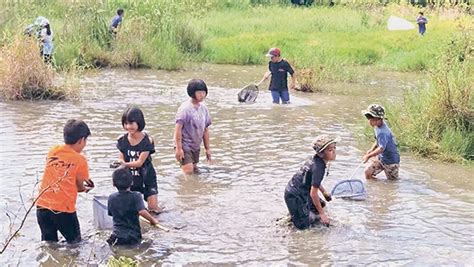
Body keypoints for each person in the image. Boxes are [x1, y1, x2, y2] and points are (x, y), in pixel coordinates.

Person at [36, 119, 94, 243]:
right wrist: (85, 189)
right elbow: (79, 187)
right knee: (75, 244)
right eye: (86, 141)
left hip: (42, 206)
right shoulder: (80, 160)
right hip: (64, 210)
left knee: (49, 244)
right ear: (81, 140)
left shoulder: (53, 151)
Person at [284, 134, 339, 229]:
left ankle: (296, 214)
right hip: (295, 195)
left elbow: (314, 182)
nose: (334, 152)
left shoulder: (316, 160)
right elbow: (313, 194)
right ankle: (291, 221)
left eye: (334, 148)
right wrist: (323, 214)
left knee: (321, 205)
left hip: (301, 190)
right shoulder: (319, 168)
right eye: (330, 150)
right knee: (304, 227)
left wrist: (324, 192)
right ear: (321, 154)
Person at [116, 107, 162, 214]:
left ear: (139, 122)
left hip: (147, 177)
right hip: (130, 179)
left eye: (131, 123)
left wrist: (125, 164)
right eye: (126, 123)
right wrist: (120, 164)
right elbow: (121, 157)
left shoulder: (147, 141)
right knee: (130, 210)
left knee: (153, 209)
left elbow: (140, 162)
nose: (128, 126)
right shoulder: (122, 140)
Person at [107, 166, 158, 246]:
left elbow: (111, 213)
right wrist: (152, 220)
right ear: (132, 182)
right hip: (133, 236)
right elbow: (142, 212)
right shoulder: (136, 196)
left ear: (113, 183)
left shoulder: (111, 197)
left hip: (116, 236)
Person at [174, 79, 212, 175]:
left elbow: (205, 130)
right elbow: (177, 129)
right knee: (188, 172)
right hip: (184, 145)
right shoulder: (185, 109)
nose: (202, 95)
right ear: (192, 93)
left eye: (204, 92)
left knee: (195, 169)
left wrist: (207, 149)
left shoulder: (204, 108)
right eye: (199, 93)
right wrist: (179, 148)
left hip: (195, 145)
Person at [362, 104, 400, 180]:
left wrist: (368, 156)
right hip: (381, 158)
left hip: (391, 161)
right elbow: (377, 141)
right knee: (367, 172)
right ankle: (376, 188)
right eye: (368, 117)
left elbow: (381, 148)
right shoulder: (377, 126)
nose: (369, 120)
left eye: (371, 118)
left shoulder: (383, 132)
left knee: (392, 183)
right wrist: (371, 150)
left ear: (379, 119)